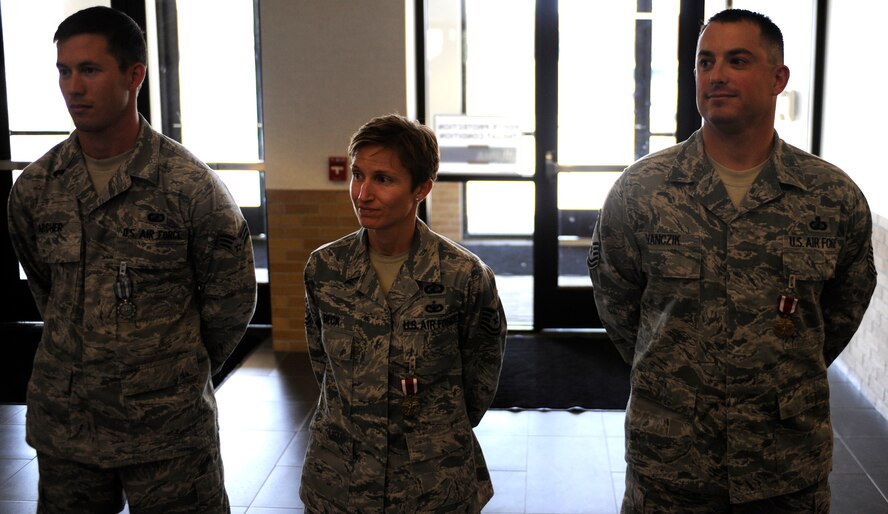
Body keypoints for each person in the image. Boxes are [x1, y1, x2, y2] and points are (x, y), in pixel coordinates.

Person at [589, 9, 876, 513]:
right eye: (706, 61)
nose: (716, 74)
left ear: (778, 78)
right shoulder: (642, 190)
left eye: (737, 60)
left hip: (784, 463)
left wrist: (774, 370)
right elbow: (619, 305)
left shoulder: (831, 197)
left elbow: (841, 311)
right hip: (672, 459)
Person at [6, 6, 256, 513]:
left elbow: (232, 303)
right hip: (69, 428)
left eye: (90, 70)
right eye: (64, 70)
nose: (73, 86)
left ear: (134, 74)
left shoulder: (190, 188)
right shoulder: (36, 188)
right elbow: (47, 290)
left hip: (167, 432)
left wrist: (171, 369)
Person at [300, 113, 507, 512]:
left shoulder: (462, 276)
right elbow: (322, 362)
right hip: (341, 479)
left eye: (383, 179)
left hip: (431, 482)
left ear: (421, 189)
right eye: (358, 175)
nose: (363, 194)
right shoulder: (325, 269)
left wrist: (435, 428)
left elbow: (482, 373)